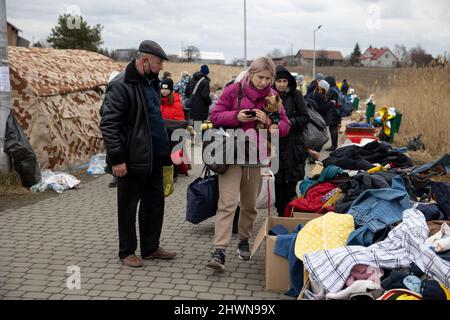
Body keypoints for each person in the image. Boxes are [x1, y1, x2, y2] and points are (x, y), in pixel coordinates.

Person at [207, 57, 291, 271]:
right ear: (251, 74)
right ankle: (219, 251)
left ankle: (244, 239)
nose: (264, 82)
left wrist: (268, 121)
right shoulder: (233, 91)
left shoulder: (274, 98)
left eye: (268, 78)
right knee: (226, 203)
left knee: (250, 205)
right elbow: (214, 117)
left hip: (257, 155)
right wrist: (237, 117)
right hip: (232, 154)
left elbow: (285, 127)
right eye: (260, 77)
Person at [100, 40, 177, 268]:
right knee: (128, 206)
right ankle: (126, 252)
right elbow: (109, 124)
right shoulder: (121, 85)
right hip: (130, 159)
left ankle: (151, 247)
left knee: (154, 204)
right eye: (158, 62)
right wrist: (117, 159)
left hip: (153, 156)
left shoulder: (151, 82)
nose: (161, 66)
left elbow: (151, 117)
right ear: (145, 60)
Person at [272, 66, 310, 217]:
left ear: (289, 82)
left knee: (290, 184)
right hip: (276, 144)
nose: (281, 84)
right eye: (278, 81)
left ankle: (288, 215)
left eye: (284, 81)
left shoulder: (296, 95)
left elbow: (305, 117)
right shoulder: (269, 96)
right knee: (277, 182)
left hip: (293, 145)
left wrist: (288, 123)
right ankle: (281, 212)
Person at [324, 76, 341, 151]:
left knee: (333, 128)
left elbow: (326, 99)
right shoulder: (336, 88)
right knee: (334, 128)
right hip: (337, 111)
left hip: (332, 112)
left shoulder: (330, 90)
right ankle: (334, 145)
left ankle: (333, 146)